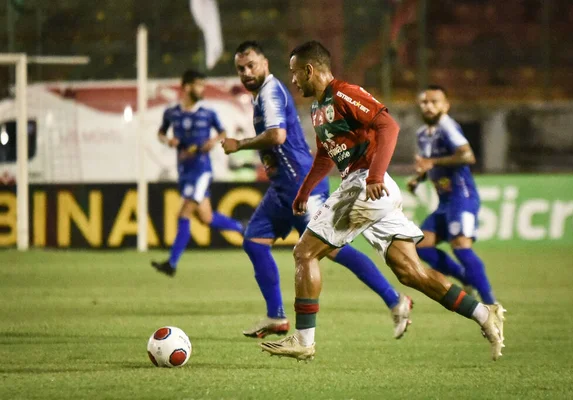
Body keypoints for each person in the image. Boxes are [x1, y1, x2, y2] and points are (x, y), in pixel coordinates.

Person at [259, 41, 506, 361]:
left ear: (310, 70)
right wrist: (304, 191)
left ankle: (304, 341)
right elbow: (325, 153)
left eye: (295, 73)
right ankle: (485, 315)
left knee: (305, 253)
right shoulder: (318, 108)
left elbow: (388, 125)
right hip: (369, 187)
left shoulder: (344, 92)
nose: (293, 80)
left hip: (366, 185)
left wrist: (374, 176)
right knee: (411, 272)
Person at [222, 41, 410, 339]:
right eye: (240, 69)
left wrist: (240, 144)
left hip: (296, 179)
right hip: (284, 187)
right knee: (255, 242)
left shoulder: (271, 92)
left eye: (251, 66)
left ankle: (395, 299)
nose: (246, 73)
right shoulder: (266, 97)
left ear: (266, 64)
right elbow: (321, 150)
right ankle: (277, 317)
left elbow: (277, 135)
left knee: (330, 250)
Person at [408, 85, 496, 305]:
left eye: (434, 102)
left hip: (462, 197)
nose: (429, 106)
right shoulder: (422, 134)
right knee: (419, 245)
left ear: (445, 106)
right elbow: (429, 165)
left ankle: (490, 303)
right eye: (424, 102)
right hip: (445, 202)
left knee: (461, 247)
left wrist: (433, 162)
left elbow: (467, 156)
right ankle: (467, 279)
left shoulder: (447, 126)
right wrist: (418, 179)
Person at [151, 70, 244, 276]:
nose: (202, 89)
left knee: (183, 213)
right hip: (184, 171)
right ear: (186, 87)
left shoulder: (207, 113)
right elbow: (160, 133)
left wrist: (212, 142)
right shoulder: (172, 112)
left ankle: (172, 264)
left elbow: (222, 132)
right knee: (206, 218)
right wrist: (169, 141)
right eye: (198, 85)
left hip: (201, 171)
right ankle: (243, 228)